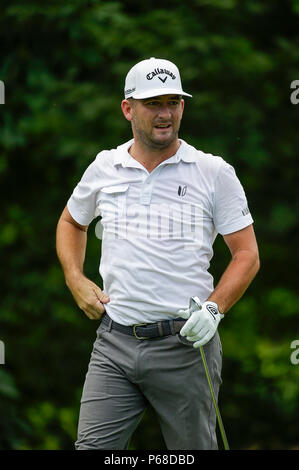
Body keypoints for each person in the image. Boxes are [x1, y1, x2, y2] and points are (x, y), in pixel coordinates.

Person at [56, 57, 260, 450]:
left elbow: (247, 254)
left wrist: (214, 309)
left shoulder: (212, 172)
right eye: (153, 104)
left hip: (184, 346)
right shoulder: (105, 166)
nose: (165, 113)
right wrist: (75, 278)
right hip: (114, 342)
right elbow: (71, 223)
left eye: (174, 102)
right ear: (128, 108)